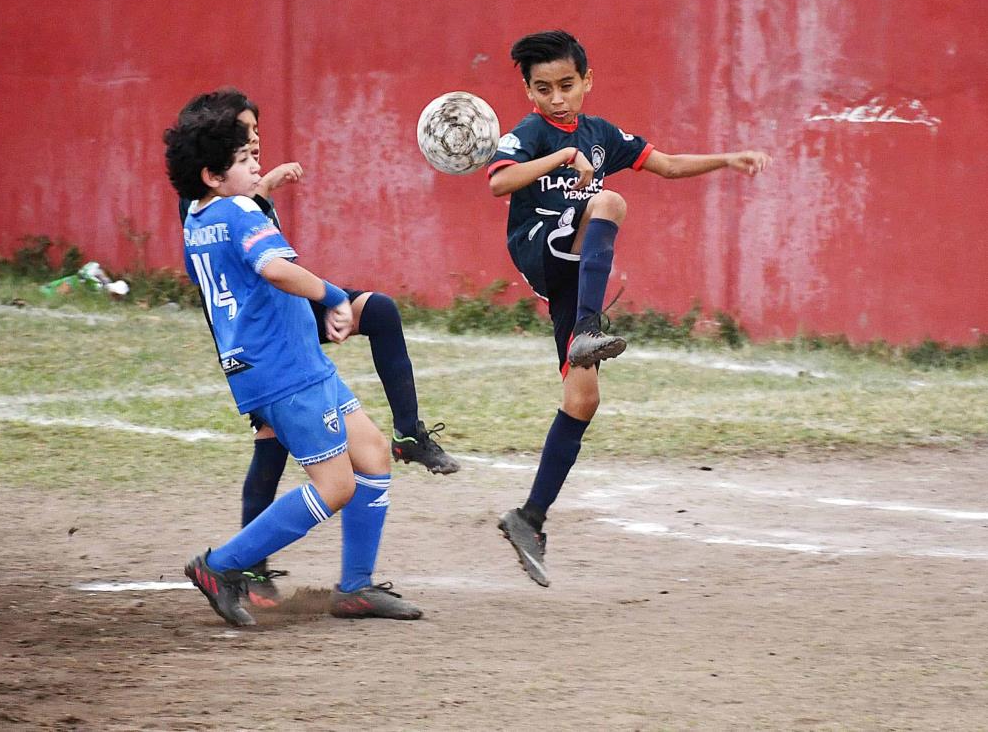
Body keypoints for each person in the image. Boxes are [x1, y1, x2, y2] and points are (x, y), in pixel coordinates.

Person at [487, 30, 771, 587]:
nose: (557, 98)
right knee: (610, 201)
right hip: (539, 244)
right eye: (543, 88)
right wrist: (558, 158)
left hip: (572, 272)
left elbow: (664, 163)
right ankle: (591, 327)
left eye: (567, 85)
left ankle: (529, 518)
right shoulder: (529, 133)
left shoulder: (600, 135)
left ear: (587, 81)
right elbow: (499, 182)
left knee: (583, 397)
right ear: (528, 92)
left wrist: (726, 159)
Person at [175, 89, 459, 608]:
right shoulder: (238, 211)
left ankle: (355, 589)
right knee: (336, 486)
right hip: (283, 370)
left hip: (292, 363)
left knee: (372, 454)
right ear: (213, 176)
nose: (254, 166)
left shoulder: (197, 218)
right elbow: (275, 268)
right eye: (244, 160)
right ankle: (220, 567)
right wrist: (332, 297)